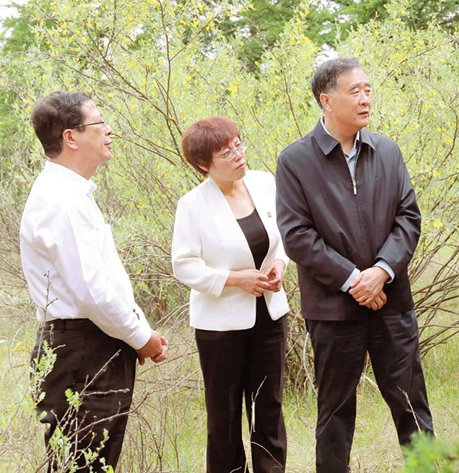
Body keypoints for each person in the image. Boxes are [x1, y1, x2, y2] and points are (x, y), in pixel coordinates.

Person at [275, 56, 433, 472]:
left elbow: (408, 217)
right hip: (333, 309)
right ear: (326, 100)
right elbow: (297, 236)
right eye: (354, 91)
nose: (365, 99)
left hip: (391, 301)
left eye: (368, 90)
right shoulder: (295, 161)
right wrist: (352, 280)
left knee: (411, 405)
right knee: (335, 413)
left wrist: (381, 272)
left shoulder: (387, 151)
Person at [20, 91, 168, 472]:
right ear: (71, 137)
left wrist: (133, 333)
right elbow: (93, 293)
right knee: (83, 464)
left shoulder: (71, 193)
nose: (109, 130)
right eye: (99, 123)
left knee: (93, 462)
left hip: (90, 345)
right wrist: (142, 337)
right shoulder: (62, 200)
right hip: (83, 350)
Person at [172, 117, 289, 473]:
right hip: (220, 327)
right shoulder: (192, 205)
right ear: (203, 163)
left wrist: (280, 264)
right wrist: (235, 280)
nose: (239, 155)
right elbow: (184, 266)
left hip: (269, 315)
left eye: (239, 145)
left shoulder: (264, 183)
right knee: (224, 417)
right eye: (226, 152)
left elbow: (284, 235)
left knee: (269, 409)